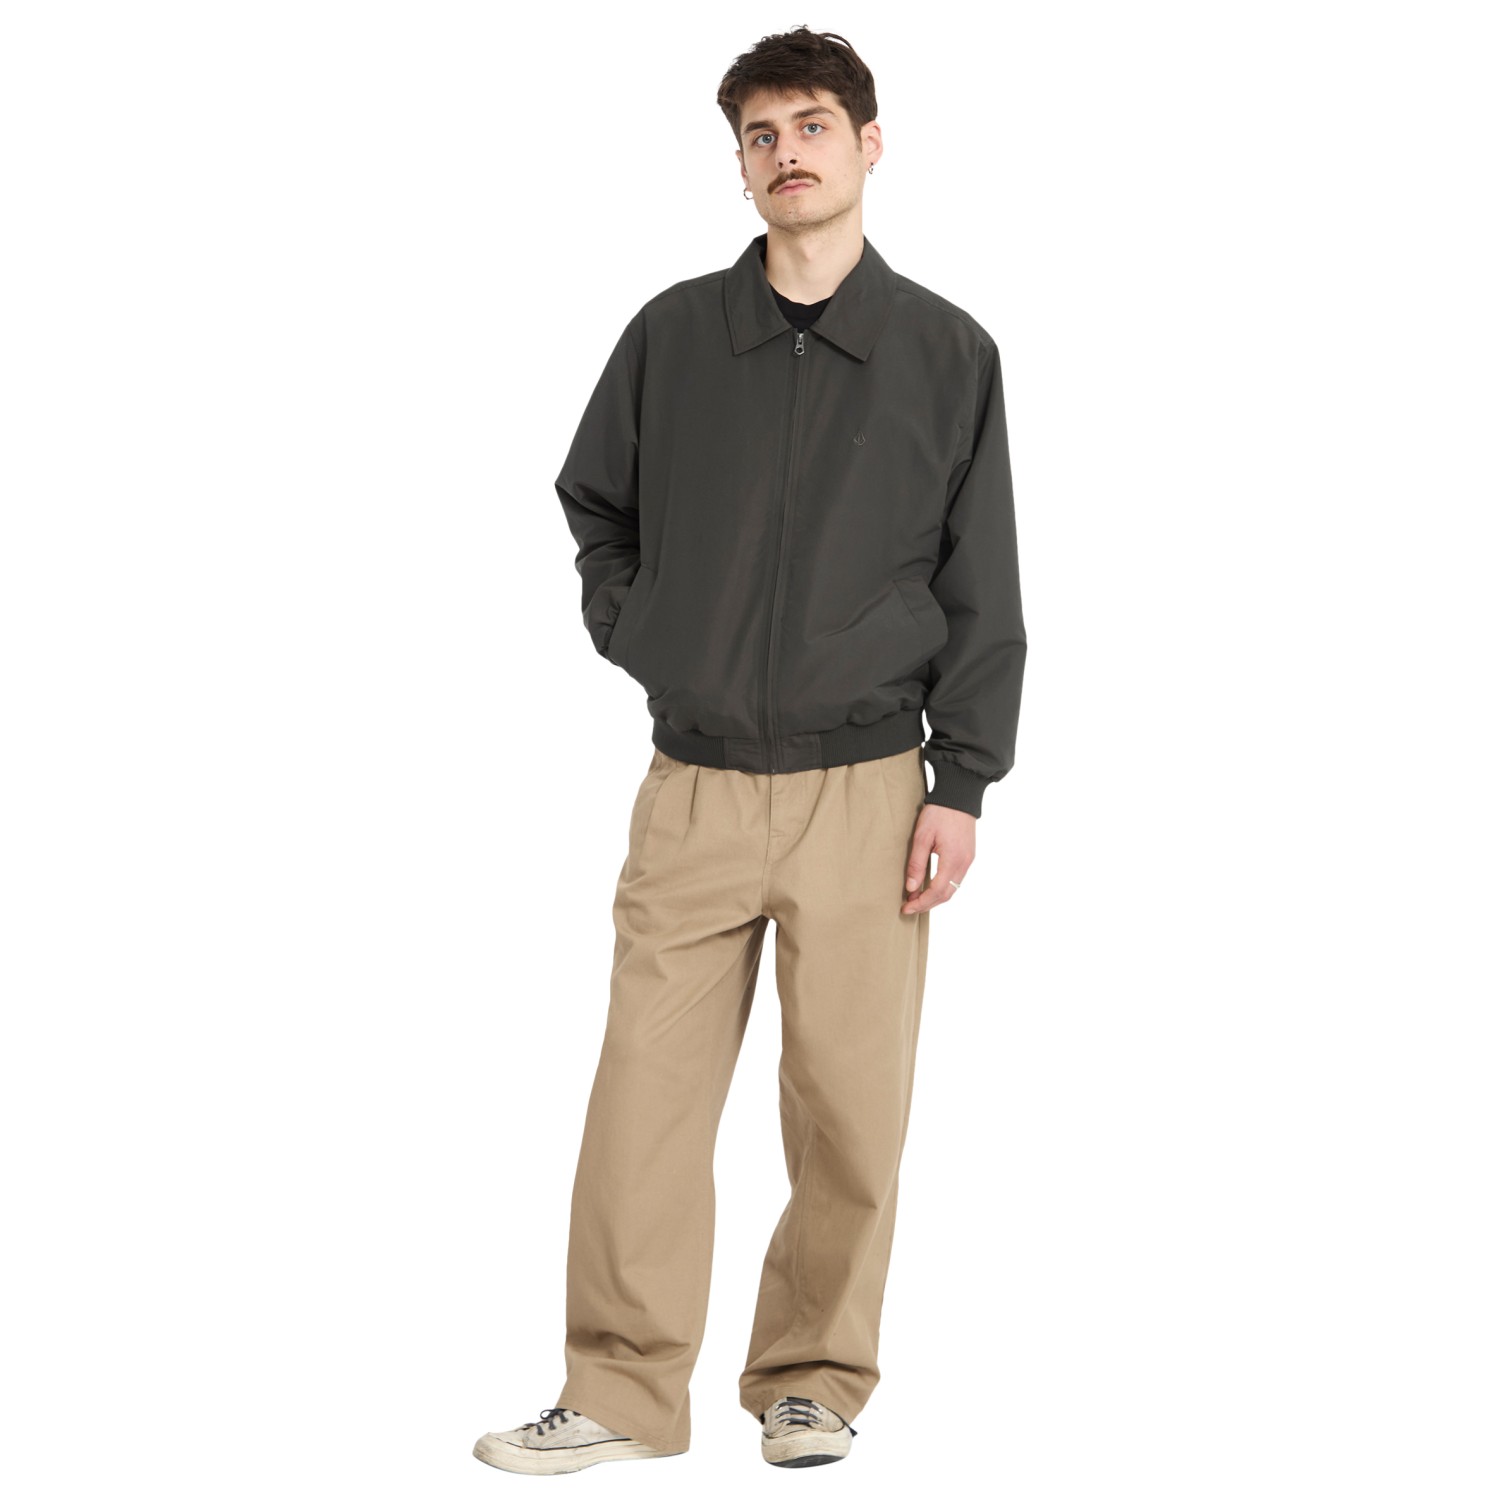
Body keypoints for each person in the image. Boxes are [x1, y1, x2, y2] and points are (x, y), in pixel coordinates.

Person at [474, 25, 1025, 1475]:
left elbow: (984, 580)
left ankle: (813, 1381)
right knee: (642, 1102)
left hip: (869, 790)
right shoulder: (672, 337)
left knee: (850, 1109)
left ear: (870, 145)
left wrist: (962, 781)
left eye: (813, 126)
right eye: (762, 135)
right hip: (697, 785)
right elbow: (596, 503)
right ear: (739, 165)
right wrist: (645, 629)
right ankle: (619, 1391)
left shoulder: (947, 353)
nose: (788, 154)